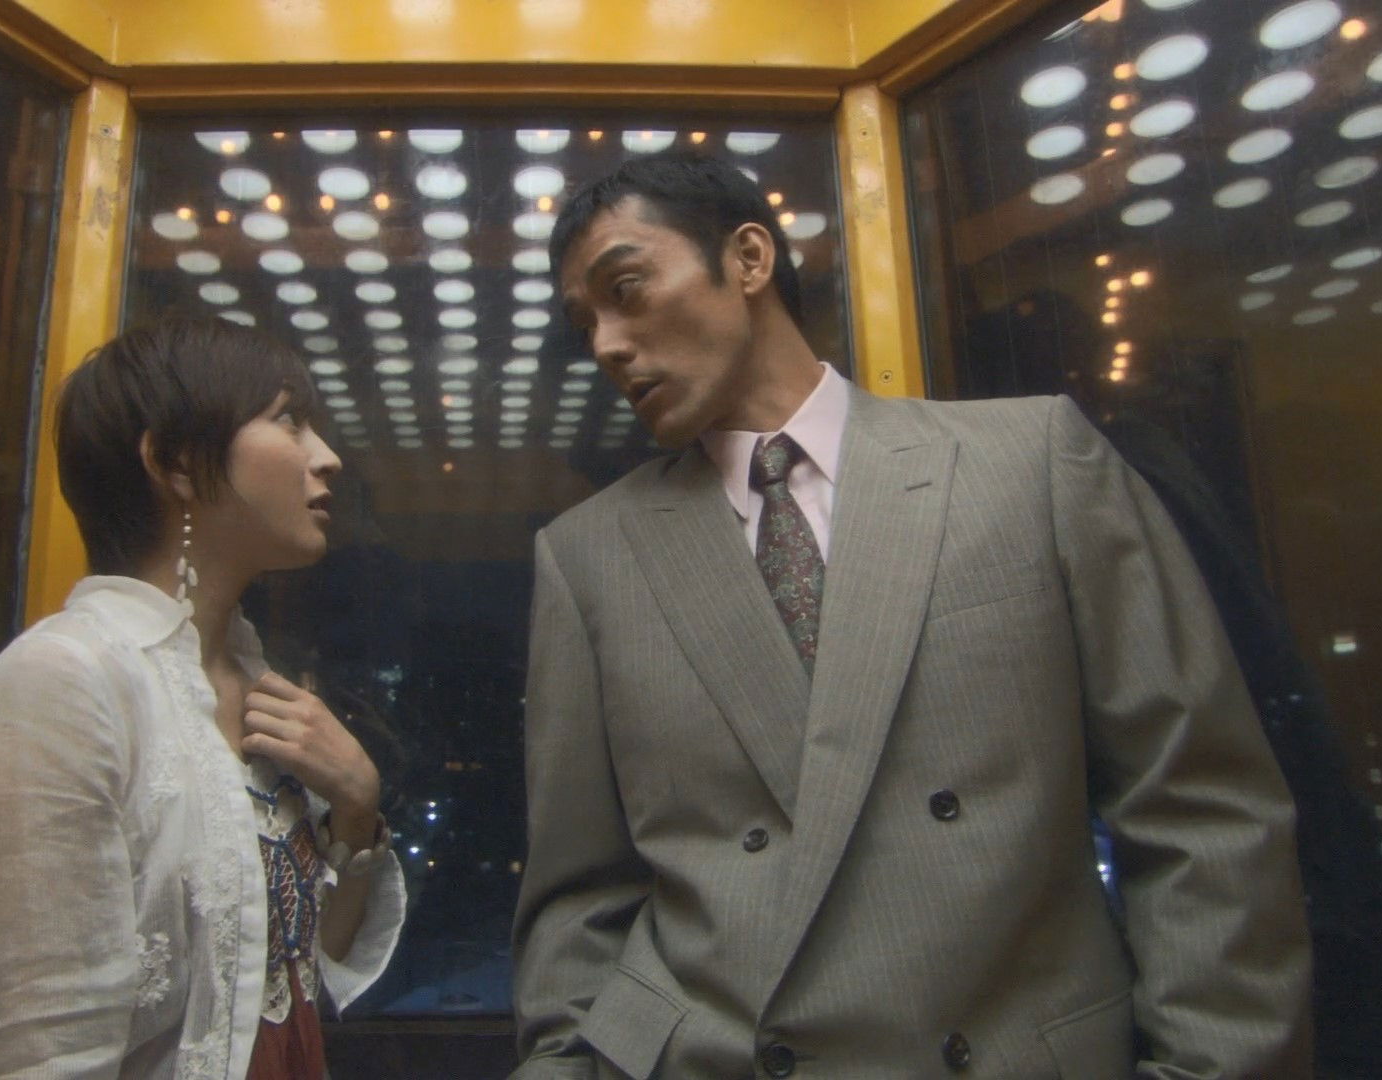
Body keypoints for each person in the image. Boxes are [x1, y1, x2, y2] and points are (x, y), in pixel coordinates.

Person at [511, 153, 1313, 1078]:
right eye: (586, 323)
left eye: (626, 289)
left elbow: (1200, 809)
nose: (607, 344)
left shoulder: (1030, 463)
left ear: (748, 259)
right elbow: (578, 899)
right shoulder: (588, 556)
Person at [0, 316, 404, 1078]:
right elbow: (32, 1055)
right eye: (289, 419)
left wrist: (355, 805)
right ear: (178, 463)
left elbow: (296, 979)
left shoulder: (257, 681)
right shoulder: (61, 686)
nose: (327, 456)